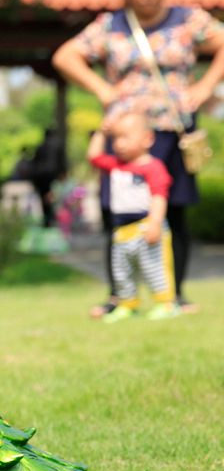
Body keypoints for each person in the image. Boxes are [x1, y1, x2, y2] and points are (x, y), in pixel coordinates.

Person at [52, 0, 224, 315]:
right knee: (121, 211)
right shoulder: (110, 25)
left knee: (174, 209)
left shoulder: (188, 20)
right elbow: (65, 56)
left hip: (172, 130)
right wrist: (101, 89)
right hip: (125, 136)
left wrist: (206, 86)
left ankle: (174, 293)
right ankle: (119, 295)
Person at [88, 114, 178, 322]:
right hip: (121, 230)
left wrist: (155, 222)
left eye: (125, 137)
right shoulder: (116, 165)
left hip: (146, 226)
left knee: (155, 268)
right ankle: (128, 304)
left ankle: (166, 303)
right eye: (115, 138)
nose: (119, 143)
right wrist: (102, 132)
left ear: (147, 138)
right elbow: (93, 156)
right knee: (122, 271)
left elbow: (158, 197)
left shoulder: (153, 167)